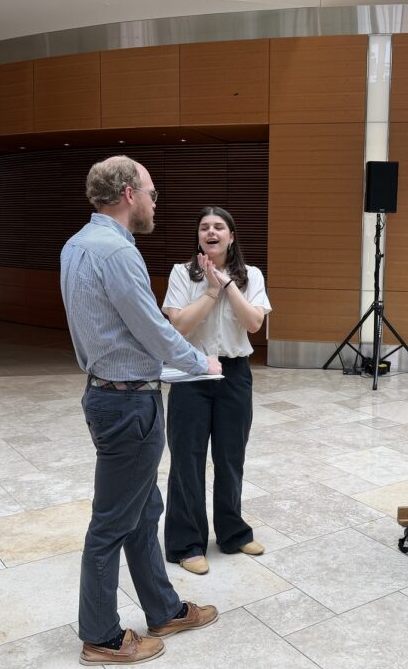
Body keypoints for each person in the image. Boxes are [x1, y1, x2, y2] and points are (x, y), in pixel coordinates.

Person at [60, 156, 220, 666]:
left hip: (107, 394)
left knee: (143, 509)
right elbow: (151, 326)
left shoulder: (76, 245)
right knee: (111, 524)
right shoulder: (117, 252)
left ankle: (164, 609)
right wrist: (199, 362)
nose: (154, 202)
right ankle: (101, 637)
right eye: (151, 192)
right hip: (129, 404)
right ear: (129, 193)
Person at [161, 207, 272, 575]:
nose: (211, 232)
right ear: (198, 237)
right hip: (192, 373)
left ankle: (233, 533)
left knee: (230, 457)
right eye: (204, 227)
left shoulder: (251, 275)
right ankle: (186, 543)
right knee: (187, 461)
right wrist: (210, 291)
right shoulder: (182, 273)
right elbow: (179, 325)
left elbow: (254, 323)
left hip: (234, 375)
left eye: (219, 227)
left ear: (231, 236)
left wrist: (226, 285)